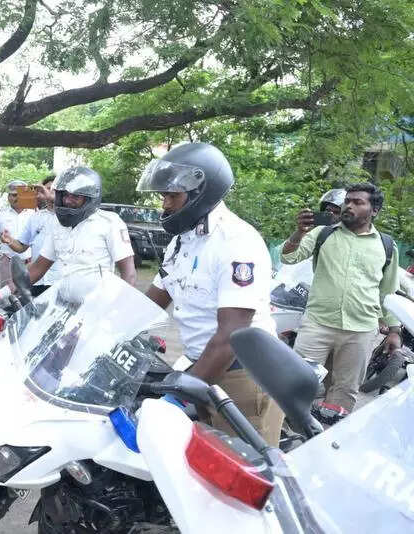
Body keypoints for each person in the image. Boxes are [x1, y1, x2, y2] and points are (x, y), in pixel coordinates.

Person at [138, 143, 283, 446]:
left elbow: (231, 335)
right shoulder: (183, 242)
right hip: (203, 366)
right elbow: (149, 302)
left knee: (240, 469)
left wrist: (179, 395)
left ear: (200, 193)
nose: (165, 204)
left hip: (241, 376)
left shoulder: (235, 241)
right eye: (163, 196)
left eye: (172, 196)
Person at [281, 182, 400, 413]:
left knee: (344, 391)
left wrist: (394, 330)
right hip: (318, 324)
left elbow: (387, 292)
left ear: (374, 210)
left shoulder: (386, 246)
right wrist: (299, 233)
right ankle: (285, 427)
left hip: (360, 331)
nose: (349, 206)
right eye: (347, 201)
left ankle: (329, 431)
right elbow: (289, 257)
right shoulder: (322, 233)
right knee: (296, 382)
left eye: (357, 202)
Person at [27, 167, 137, 287]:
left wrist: (121, 298)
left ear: (90, 198)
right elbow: (39, 267)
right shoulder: (57, 224)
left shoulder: (110, 222)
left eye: (76, 196)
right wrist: (11, 289)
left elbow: (129, 273)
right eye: (65, 195)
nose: (68, 201)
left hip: (98, 298)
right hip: (63, 297)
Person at [0, 175, 62, 296]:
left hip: (58, 280)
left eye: (53, 190)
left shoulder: (68, 216)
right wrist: (9, 240)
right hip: (36, 280)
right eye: (46, 189)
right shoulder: (36, 217)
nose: (49, 193)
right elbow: (21, 246)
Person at [0, 180, 34, 281]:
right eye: (14, 195)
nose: (17, 198)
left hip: (29, 262)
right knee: (6, 290)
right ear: (8, 197)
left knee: (28, 290)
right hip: (7, 262)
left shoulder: (34, 214)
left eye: (20, 195)